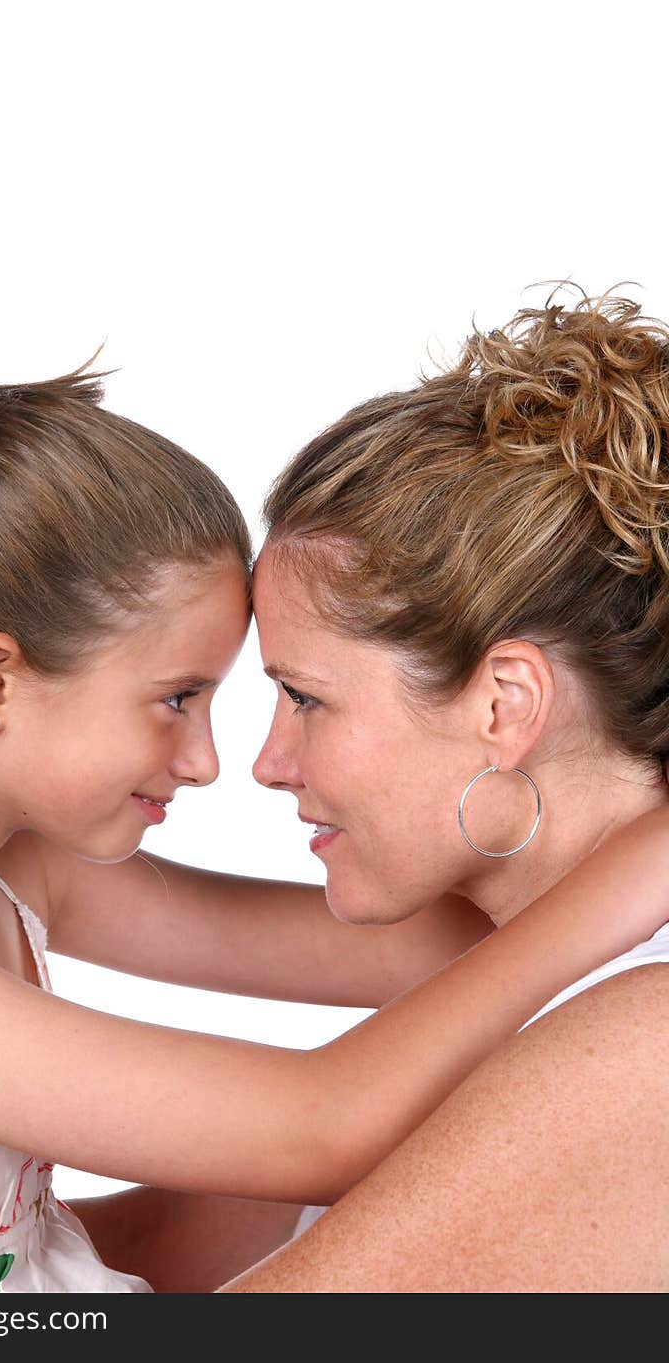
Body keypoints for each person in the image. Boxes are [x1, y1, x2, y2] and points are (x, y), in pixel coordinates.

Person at [0, 343, 664, 1295]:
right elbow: (316, 1122)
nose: (220, 764)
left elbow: (452, 958)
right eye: (176, 699)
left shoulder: (24, 875)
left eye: (304, 696)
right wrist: (645, 861)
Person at [217, 287, 669, 1291]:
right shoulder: (516, 975)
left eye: (305, 697)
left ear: (506, 705)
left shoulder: (645, 1036)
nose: (266, 760)